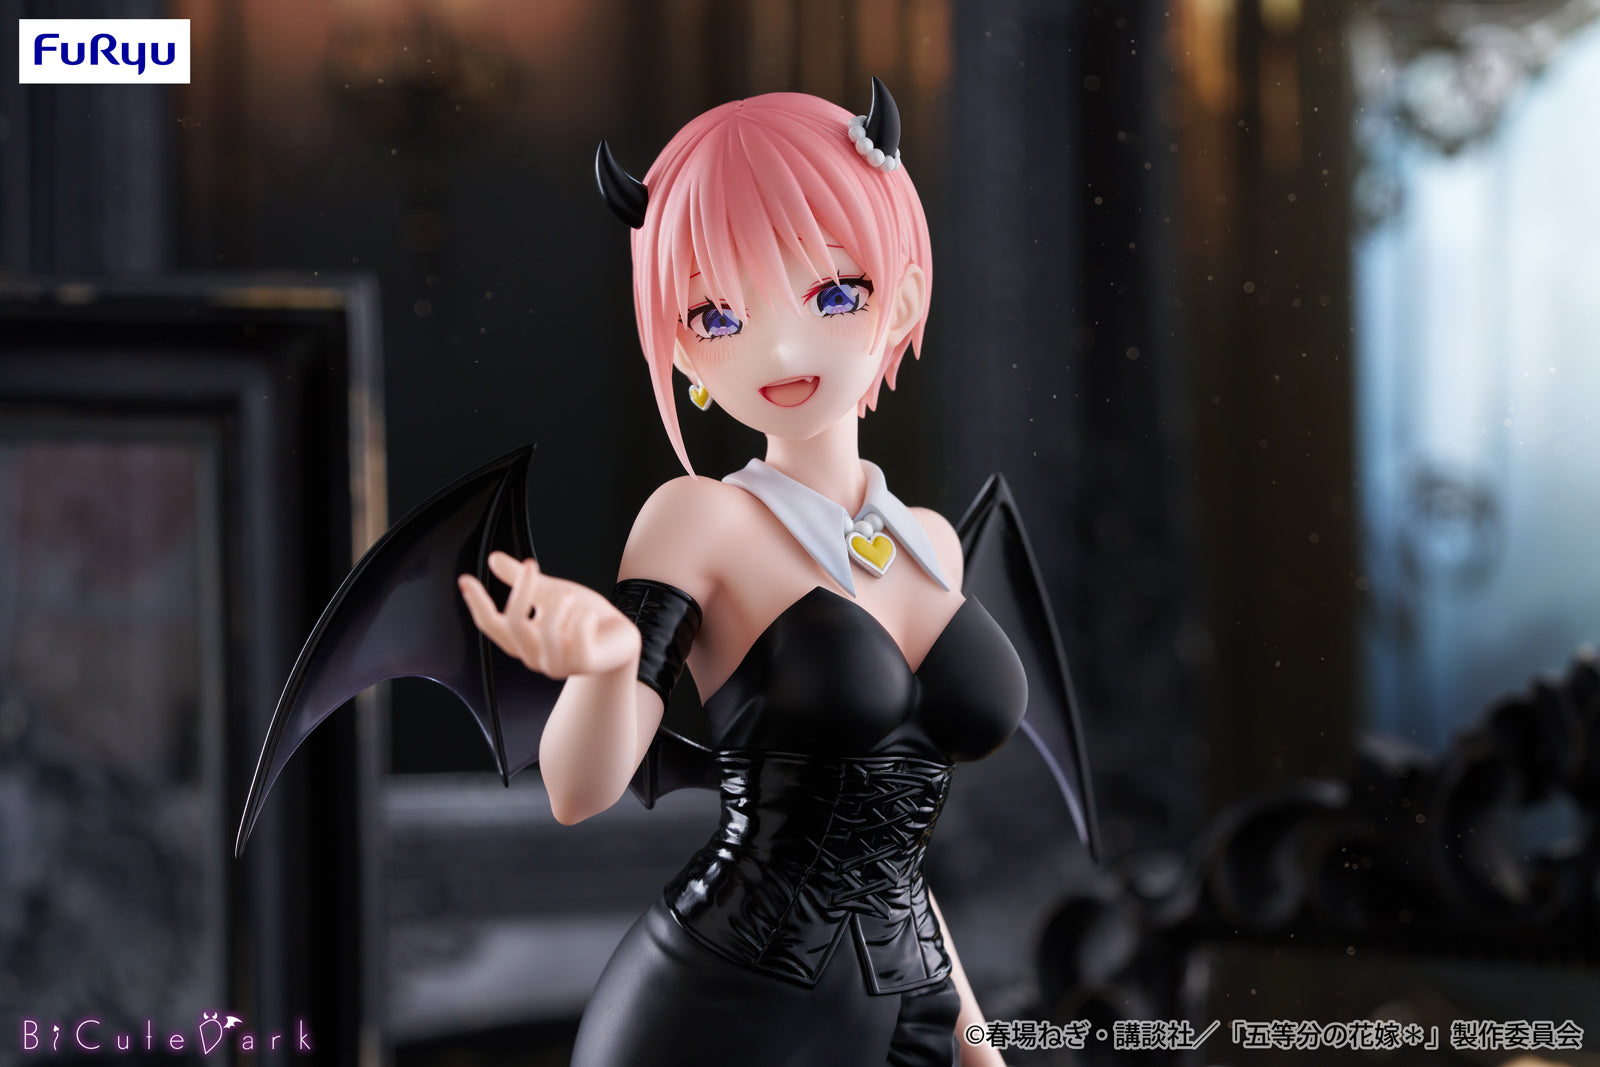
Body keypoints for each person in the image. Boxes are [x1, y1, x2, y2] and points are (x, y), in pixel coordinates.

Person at [457, 83, 1023, 1067]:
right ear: (681, 350)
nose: (782, 346)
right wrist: (606, 663)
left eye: (831, 293)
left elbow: (897, 862)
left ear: (902, 298)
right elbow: (579, 790)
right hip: (719, 1005)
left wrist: (973, 1041)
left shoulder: (930, 540)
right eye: (717, 314)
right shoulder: (700, 519)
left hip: (910, 1004)